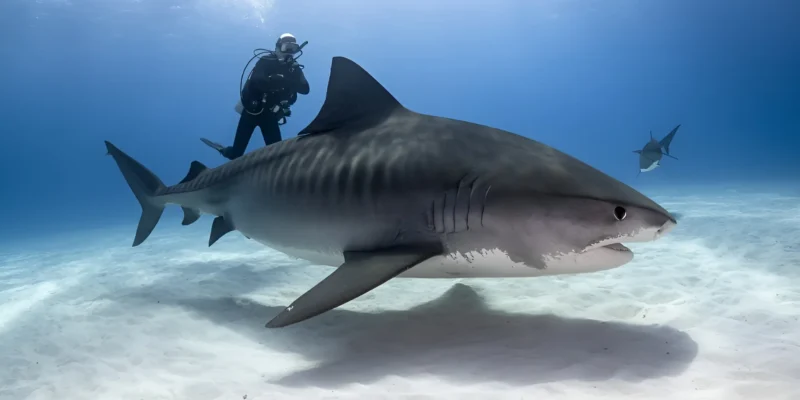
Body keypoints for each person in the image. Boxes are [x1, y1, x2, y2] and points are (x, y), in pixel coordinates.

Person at [217, 33, 310, 160]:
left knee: (278, 157)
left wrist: (288, 79)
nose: (289, 52)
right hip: (251, 112)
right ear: (277, 48)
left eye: (293, 48)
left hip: (270, 115)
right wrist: (272, 80)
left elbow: (305, 89)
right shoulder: (266, 61)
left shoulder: (294, 69)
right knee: (236, 154)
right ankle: (224, 150)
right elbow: (256, 79)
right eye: (286, 47)